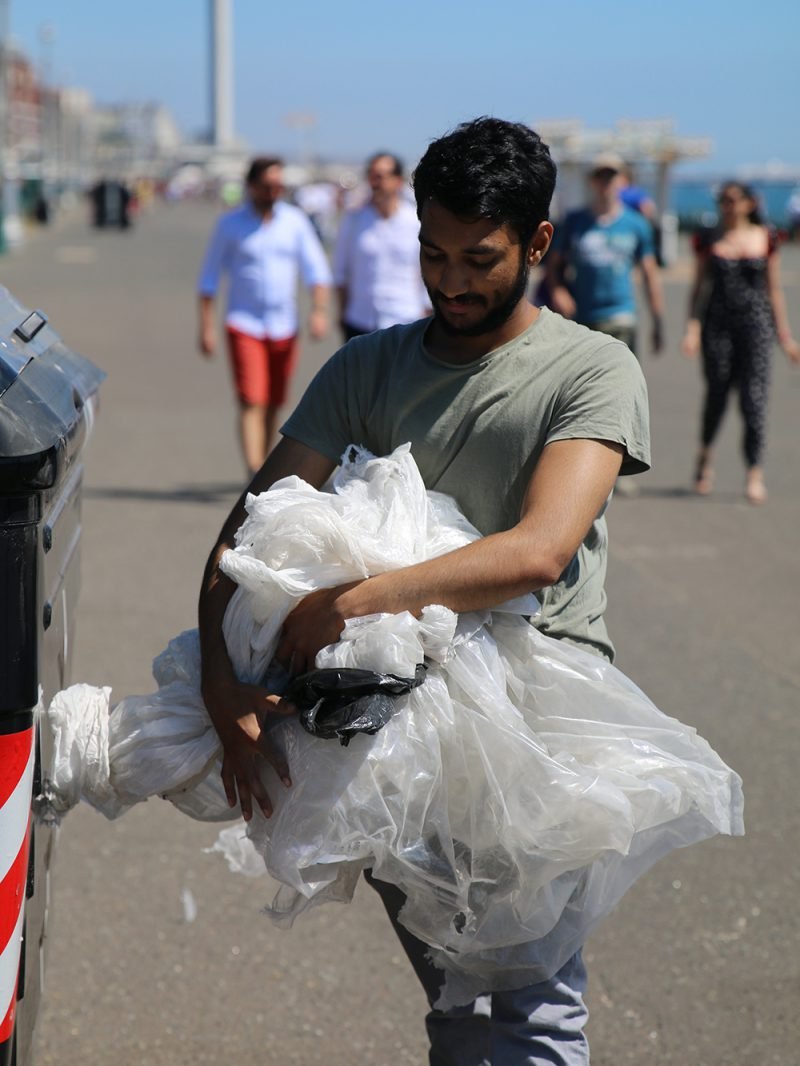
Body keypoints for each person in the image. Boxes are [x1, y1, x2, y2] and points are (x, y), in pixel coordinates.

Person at [198, 117, 650, 1065]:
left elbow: (536, 550)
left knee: (534, 1013)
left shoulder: (591, 369)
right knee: (454, 1003)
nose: (450, 281)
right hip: (387, 731)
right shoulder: (368, 366)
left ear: (536, 244)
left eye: (478, 258)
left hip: (532, 728)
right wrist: (218, 684)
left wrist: (351, 601)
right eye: (431, 253)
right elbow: (244, 530)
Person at [197, 156, 332, 472]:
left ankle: (263, 465)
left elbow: (317, 270)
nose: (274, 192)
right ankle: (254, 470)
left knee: (273, 402)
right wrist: (206, 328)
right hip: (244, 323)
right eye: (268, 186)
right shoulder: (230, 224)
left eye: (279, 186)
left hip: (285, 326)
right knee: (251, 399)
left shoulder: (294, 221)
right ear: (252, 187)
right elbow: (209, 278)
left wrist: (319, 311)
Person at [681, 180, 800, 503]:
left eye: (733, 200)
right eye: (723, 200)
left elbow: (774, 291)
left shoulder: (767, 238)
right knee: (717, 395)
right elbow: (698, 289)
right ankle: (705, 458)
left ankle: (754, 472)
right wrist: (692, 328)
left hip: (756, 327)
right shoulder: (709, 239)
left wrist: (785, 337)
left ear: (749, 203)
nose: (727, 206)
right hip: (717, 326)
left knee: (754, 400)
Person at [545, 152, 664, 357]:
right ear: (591, 181)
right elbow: (553, 263)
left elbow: (649, 274)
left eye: (611, 176)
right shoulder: (574, 221)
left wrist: (657, 320)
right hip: (581, 317)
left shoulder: (636, 224)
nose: (606, 182)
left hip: (621, 316)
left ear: (623, 180)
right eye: (600, 176)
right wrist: (558, 291)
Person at [332, 152, 430, 340]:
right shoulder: (354, 220)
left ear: (397, 180)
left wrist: (427, 312)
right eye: (371, 175)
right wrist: (342, 313)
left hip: (406, 319)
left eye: (381, 176)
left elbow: (427, 270)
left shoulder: (415, 222)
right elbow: (340, 271)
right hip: (360, 320)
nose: (375, 182)